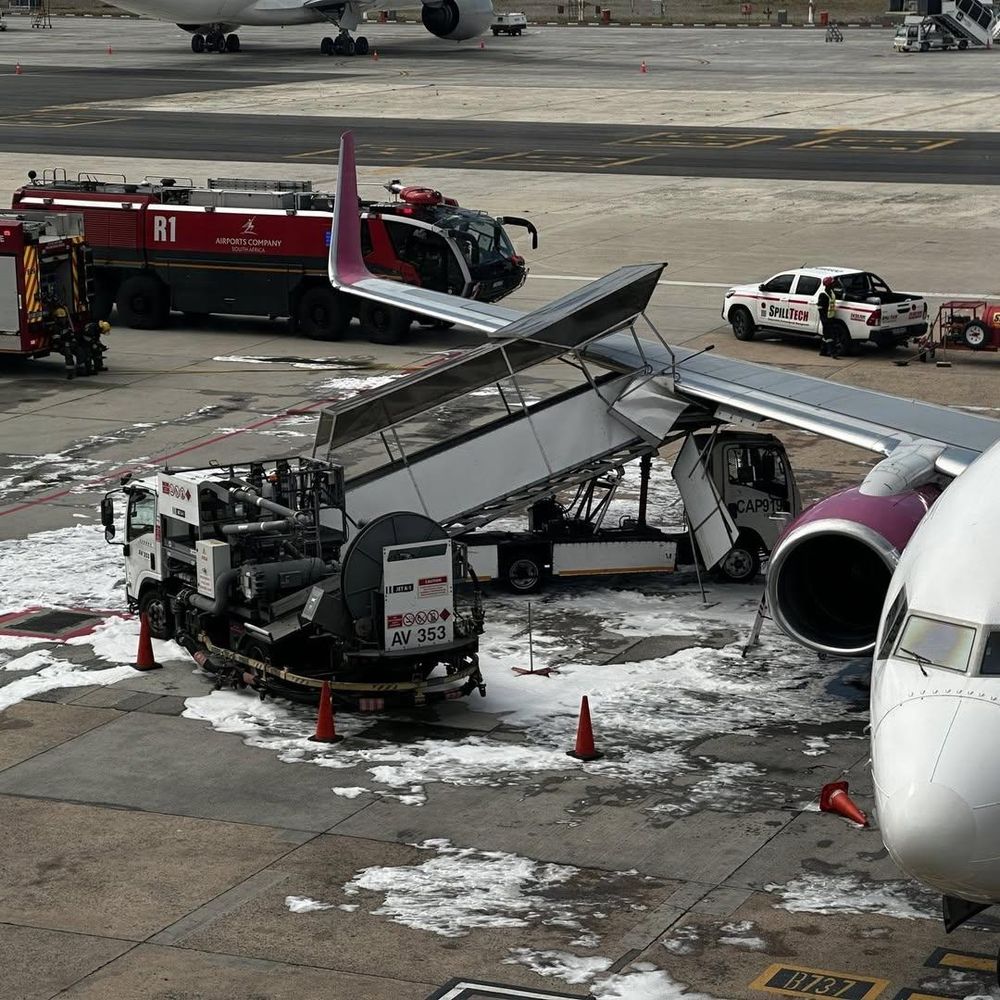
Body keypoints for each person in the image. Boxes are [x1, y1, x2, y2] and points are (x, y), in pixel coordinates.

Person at [817, 278, 840, 358]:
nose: (834, 284)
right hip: (826, 319)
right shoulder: (823, 294)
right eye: (832, 283)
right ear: (828, 285)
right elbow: (820, 308)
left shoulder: (831, 292)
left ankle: (823, 351)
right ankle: (833, 353)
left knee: (826, 335)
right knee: (830, 336)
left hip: (831, 317)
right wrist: (824, 320)